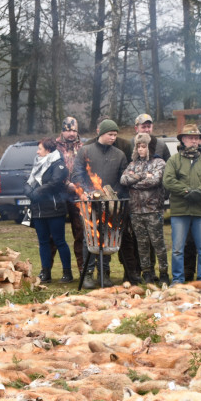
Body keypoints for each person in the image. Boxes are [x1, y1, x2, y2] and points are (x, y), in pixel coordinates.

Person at [72, 119, 129, 288]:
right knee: (89, 237)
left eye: (115, 135)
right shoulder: (85, 151)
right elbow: (77, 175)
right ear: (101, 134)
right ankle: (87, 273)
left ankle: (104, 272)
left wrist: (114, 194)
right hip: (89, 202)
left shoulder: (119, 154)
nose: (113, 137)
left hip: (110, 203)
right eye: (110, 134)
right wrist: (87, 192)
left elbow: (123, 178)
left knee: (107, 235)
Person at [164, 124, 201, 283]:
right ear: (183, 140)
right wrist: (186, 191)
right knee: (177, 249)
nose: (194, 141)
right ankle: (178, 280)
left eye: (196, 138)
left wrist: (200, 191)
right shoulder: (174, 160)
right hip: (179, 211)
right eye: (190, 138)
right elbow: (168, 180)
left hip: (200, 211)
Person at [120, 132, 168, 284]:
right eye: (138, 147)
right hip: (136, 211)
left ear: (150, 147)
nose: (141, 150)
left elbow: (154, 181)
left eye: (144, 146)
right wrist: (142, 176)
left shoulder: (159, 163)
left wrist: (134, 180)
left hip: (153, 210)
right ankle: (147, 272)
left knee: (158, 243)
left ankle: (164, 273)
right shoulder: (133, 164)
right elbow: (123, 179)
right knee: (141, 244)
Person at [25, 138, 73, 283]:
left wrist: (37, 192)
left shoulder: (59, 165)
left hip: (54, 209)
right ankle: (45, 272)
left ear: (48, 150)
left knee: (60, 241)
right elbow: (28, 182)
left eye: (40, 149)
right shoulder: (37, 164)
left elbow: (55, 183)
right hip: (38, 210)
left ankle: (67, 273)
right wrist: (28, 191)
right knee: (43, 242)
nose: (37, 151)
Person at [55, 117, 85, 276]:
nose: (71, 133)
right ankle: (48, 270)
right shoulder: (54, 147)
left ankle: (82, 268)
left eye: (73, 130)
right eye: (68, 130)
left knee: (80, 231)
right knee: (55, 233)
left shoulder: (84, 146)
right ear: (62, 131)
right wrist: (65, 184)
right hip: (59, 193)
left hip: (77, 194)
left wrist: (79, 186)